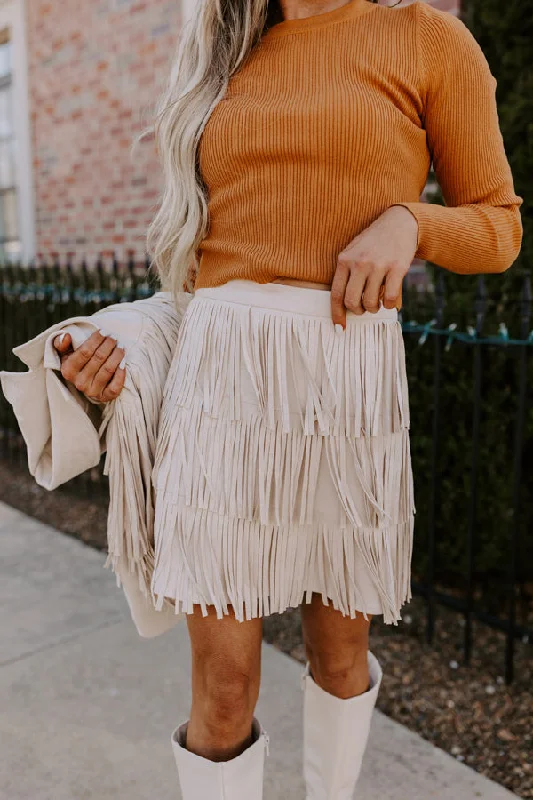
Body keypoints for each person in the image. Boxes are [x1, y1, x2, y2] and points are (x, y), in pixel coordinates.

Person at [53, 0, 523, 797]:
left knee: (339, 653)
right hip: (220, 386)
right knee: (224, 684)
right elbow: (205, 267)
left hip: (346, 385)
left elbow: (498, 227)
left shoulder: (424, 38)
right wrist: (118, 341)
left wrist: (410, 222)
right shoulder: (222, 52)